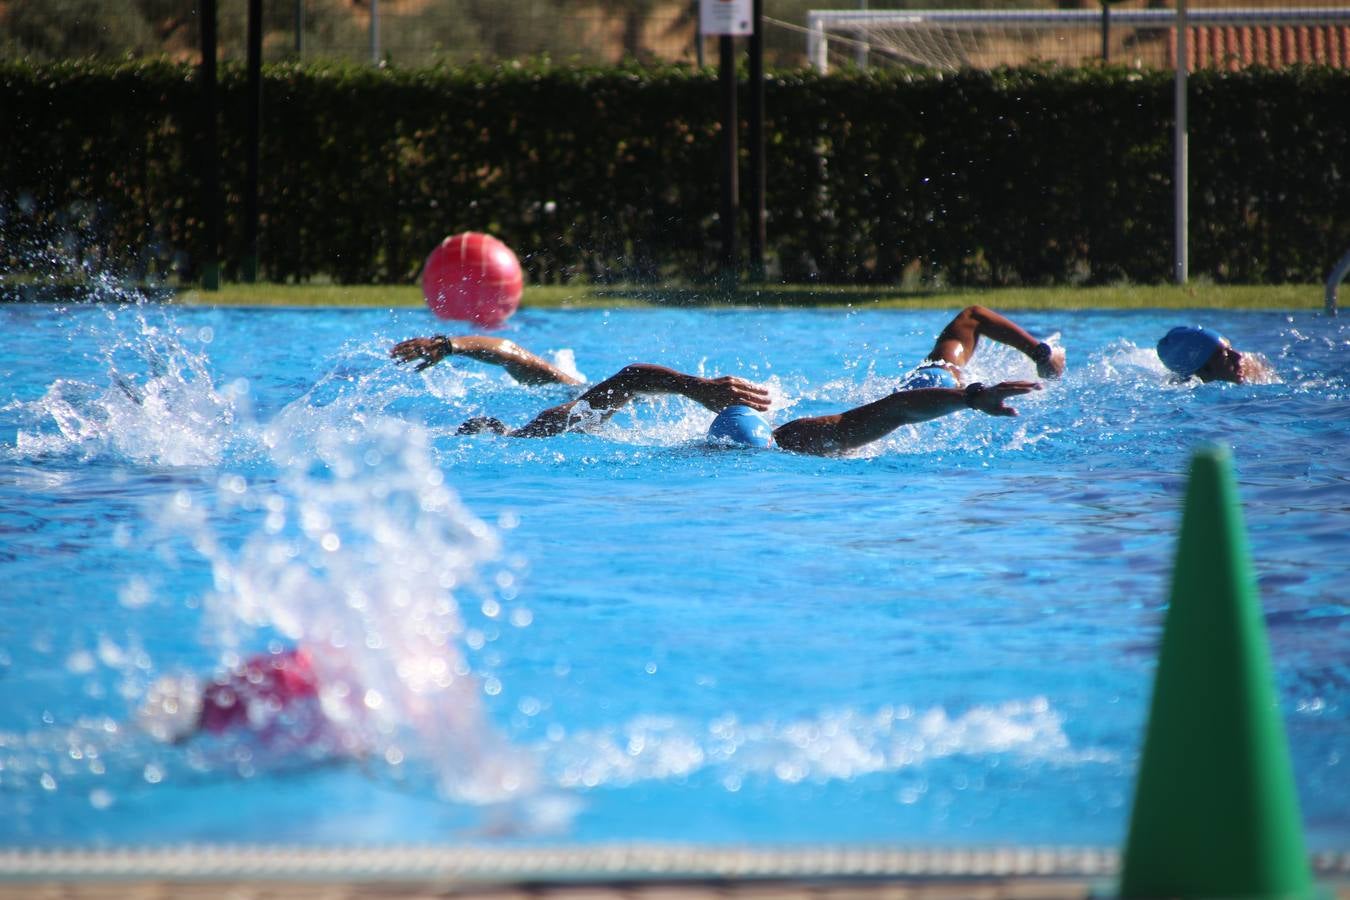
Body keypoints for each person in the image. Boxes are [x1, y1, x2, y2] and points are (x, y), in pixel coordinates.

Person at [1156, 325, 1271, 384]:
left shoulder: (1254, 370)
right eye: (1225, 355)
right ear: (1204, 371)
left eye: (1230, 348)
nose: (1238, 356)